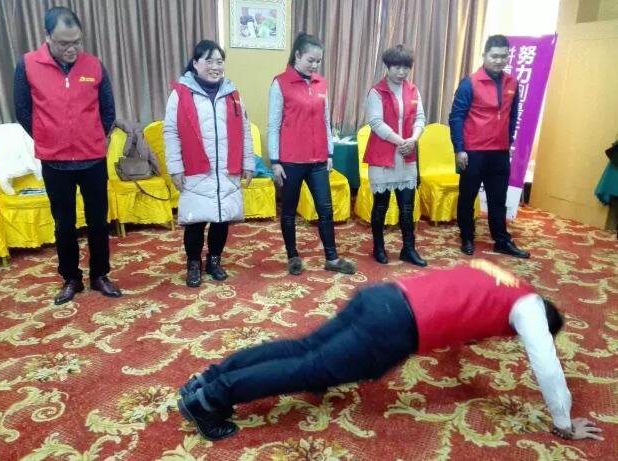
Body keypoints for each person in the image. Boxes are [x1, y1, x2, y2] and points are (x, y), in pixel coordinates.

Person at [177, 259, 604, 443]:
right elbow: (546, 365)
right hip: (393, 326)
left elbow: (463, 302)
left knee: (302, 348)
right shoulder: (529, 309)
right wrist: (563, 422)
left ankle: (209, 379)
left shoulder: (505, 278)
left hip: (383, 296)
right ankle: (209, 400)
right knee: (308, 367)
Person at [14, 6, 121, 305]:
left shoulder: (94, 65)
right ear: (47, 36)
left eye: (77, 42)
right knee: (64, 224)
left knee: (98, 221)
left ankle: (100, 275)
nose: (72, 49)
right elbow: (22, 111)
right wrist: (49, 137)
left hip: (93, 160)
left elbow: (108, 110)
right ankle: (71, 278)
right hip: (55, 162)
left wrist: (93, 138)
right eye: (64, 43)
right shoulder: (28, 65)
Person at [164, 40, 255, 288]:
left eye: (219, 61)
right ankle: (193, 263)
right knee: (195, 220)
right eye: (209, 61)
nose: (215, 67)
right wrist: (175, 168)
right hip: (195, 169)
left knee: (221, 219)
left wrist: (248, 163)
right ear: (195, 64)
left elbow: (245, 130)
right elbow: (170, 132)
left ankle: (214, 260)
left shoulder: (233, 95)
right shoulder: (180, 94)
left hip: (226, 169)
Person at [268, 32, 355, 276]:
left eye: (318, 61)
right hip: (290, 161)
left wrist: (329, 153)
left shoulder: (321, 83)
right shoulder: (280, 83)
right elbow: (273, 125)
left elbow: (326, 121)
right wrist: (275, 161)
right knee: (289, 211)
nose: (315, 65)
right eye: (311, 60)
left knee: (325, 210)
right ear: (297, 55)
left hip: (318, 160)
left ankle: (332, 258)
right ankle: (292, 256)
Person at [449, 34, 530, 259]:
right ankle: (467, 237)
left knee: (498, 199)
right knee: (467, 197)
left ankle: (501, 240)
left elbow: (512, 116)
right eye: (494, 56)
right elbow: (456, 117)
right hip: (473, 152)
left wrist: (508, 142)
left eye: (503, 56)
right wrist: (459, 149)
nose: (499, 60)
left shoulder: (512, 83)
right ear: (484, 55)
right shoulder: (470, 82)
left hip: (499, 153)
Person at [364, 45, 427, 267]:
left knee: (407, 207)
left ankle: (408, 249)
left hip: (407, 156)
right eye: (397, 67)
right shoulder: (376, 92)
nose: (402, 72)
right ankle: (378, 247)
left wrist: (413, 140)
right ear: (388, 67)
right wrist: (401, 142)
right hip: (383, 156)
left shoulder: (413, 90)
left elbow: (420, 118)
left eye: (405, 68)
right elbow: (376, 123)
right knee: (381, 206)